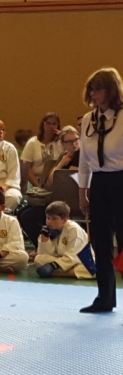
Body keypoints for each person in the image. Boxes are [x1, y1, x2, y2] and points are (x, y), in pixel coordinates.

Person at [77, 67, 123, 313]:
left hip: (121, 180)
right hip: (100, 183)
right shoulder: (88, 120)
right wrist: (82, 190)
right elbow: (84, 158)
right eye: (91, 90)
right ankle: (104, 298)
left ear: (111, 90)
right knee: (100, 241)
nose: (93, 95)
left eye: (98, 89)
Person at [19, 126, 81, 248]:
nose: (74, 144)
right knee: (21, 212)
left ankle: (46, 247)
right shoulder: (64, 156)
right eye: (69, 141)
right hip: (57, 196)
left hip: (72, 199)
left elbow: (71, 179)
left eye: (76, 140)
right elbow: (50, 181)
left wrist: (62, 170)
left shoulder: (82, 156)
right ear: (63, 143)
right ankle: (42, 246)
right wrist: (62, 163)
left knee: (29, 216)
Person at [34, 201, 94, 279]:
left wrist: (53, 265)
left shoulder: (73, 229)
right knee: (39, 259)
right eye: (48, 218)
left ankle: (59, 273)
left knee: (93, 269)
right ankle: (66, 272)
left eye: (54, 219)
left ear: (64, 220)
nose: (49, 222)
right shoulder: (49, 230)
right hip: (60, 260)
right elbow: (45, 254)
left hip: (79, 261)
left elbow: (72, 256)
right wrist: (44, 238)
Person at [21, 113, 63, 188]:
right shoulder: (32, 142)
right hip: (35, 181)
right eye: (48, 123)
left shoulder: (61, 143)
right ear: (43, 125)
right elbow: (27, 168)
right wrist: (37, 186)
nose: (51, 126)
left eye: (54, 124)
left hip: (55, 181)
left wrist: (63, 136)